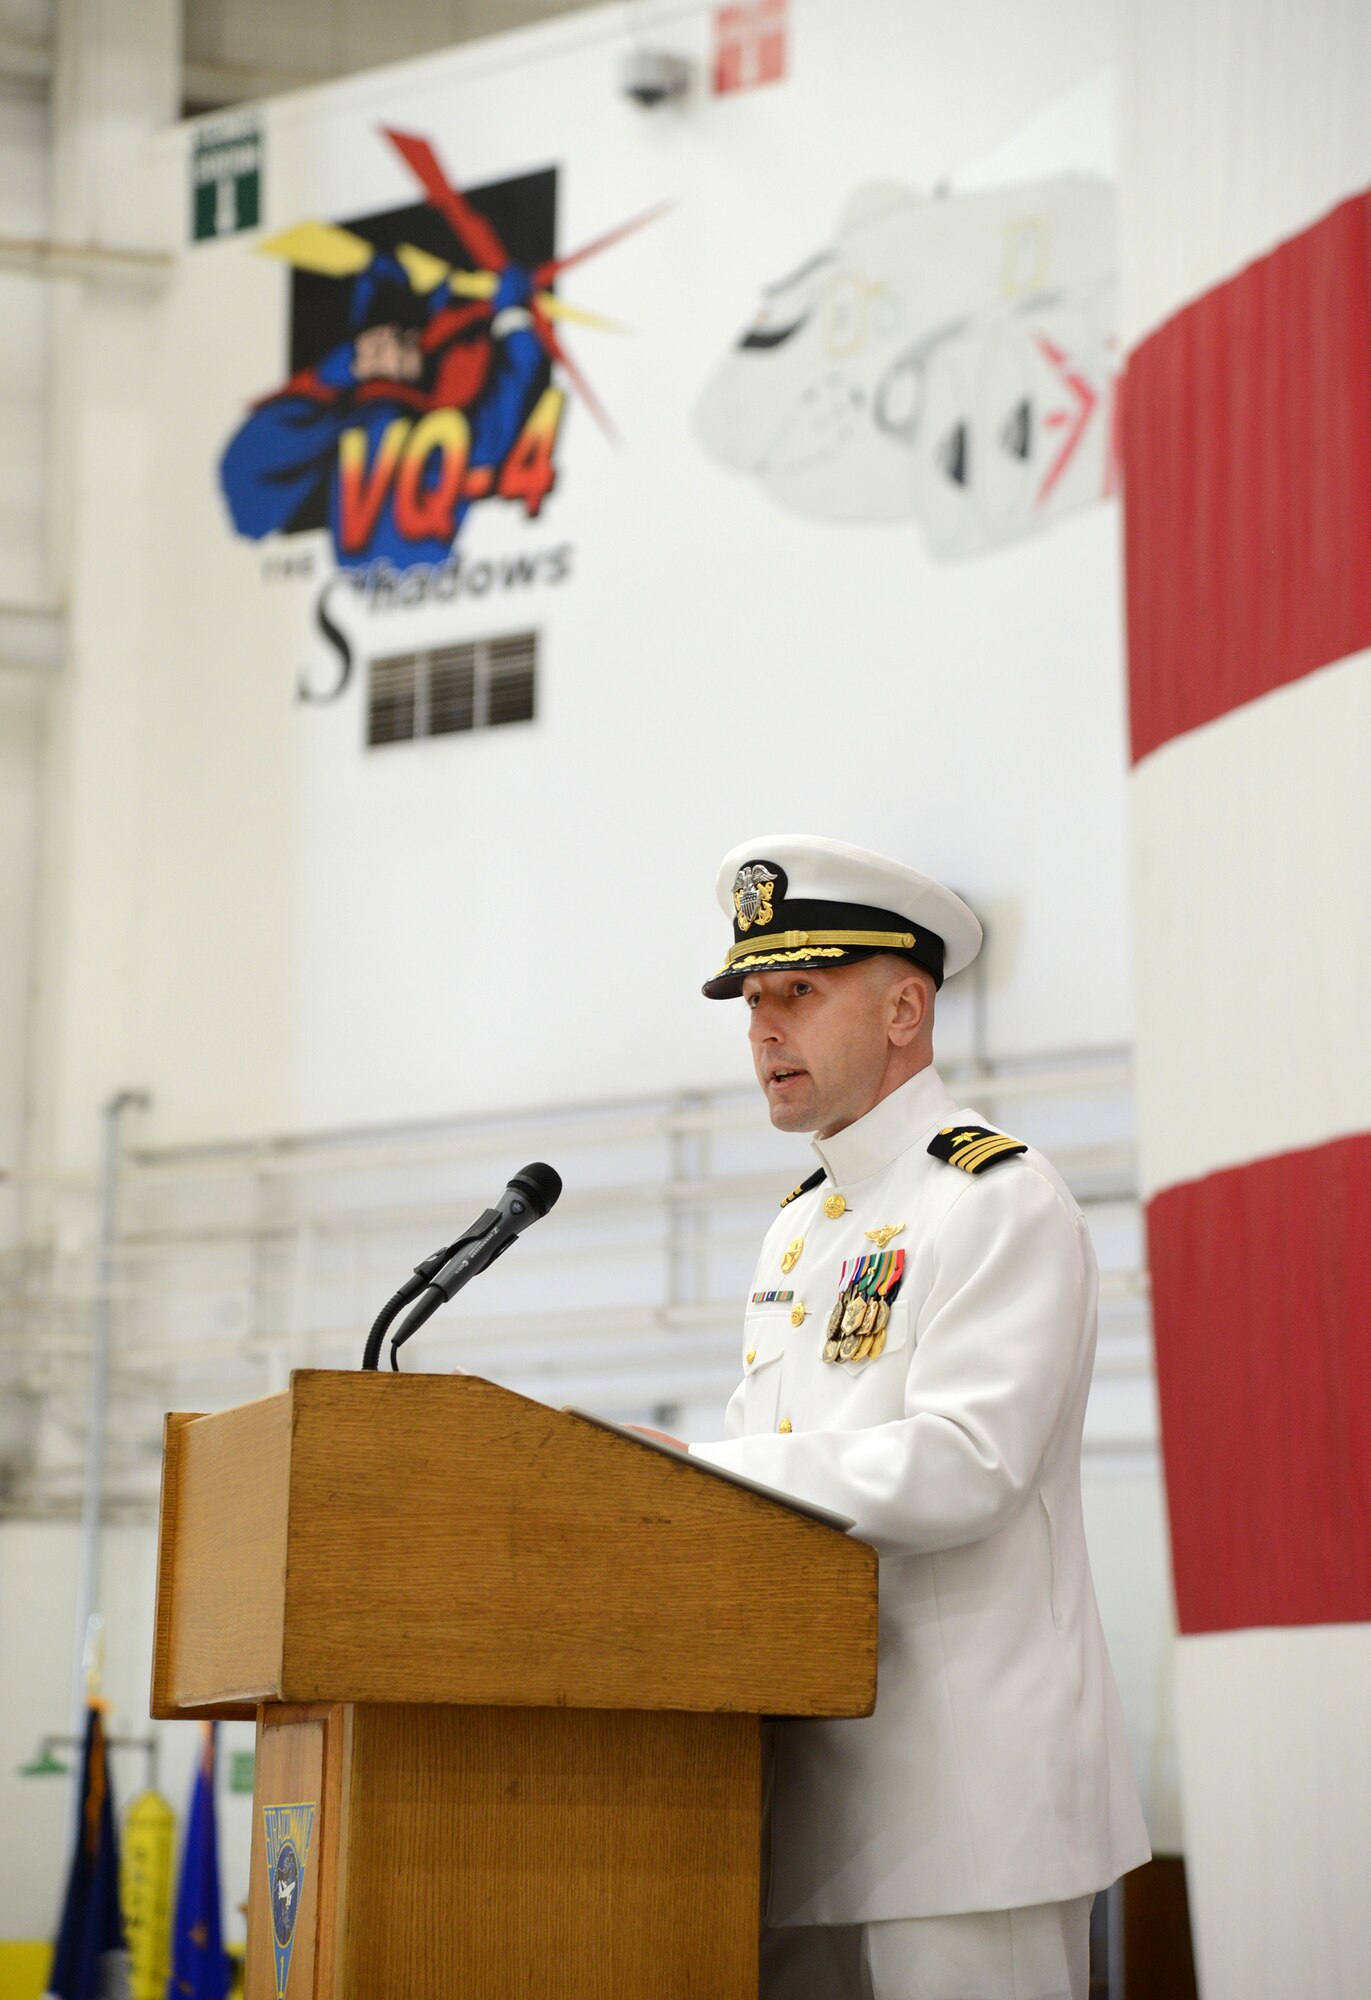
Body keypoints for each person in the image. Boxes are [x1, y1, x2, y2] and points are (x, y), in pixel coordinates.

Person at [681, 834, 1149, 2000]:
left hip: (966, 1810)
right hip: (805, 1799)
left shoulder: (994, 1196)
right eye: (750, 999)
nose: (763, 1028)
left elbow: (967, 1464)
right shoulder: (797, 1228)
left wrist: (705, 1474)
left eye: (798, 989)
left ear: (905, 1007)